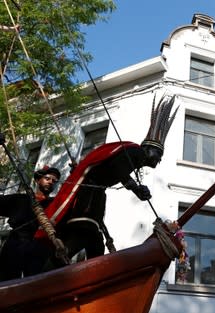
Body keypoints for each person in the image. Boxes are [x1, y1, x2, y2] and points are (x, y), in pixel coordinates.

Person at [41, 93, 178, 270]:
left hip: (96, 193)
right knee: (86, 230)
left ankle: (89, 269)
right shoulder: (135, 153)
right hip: (90, 195)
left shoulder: (132, 156)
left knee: (95, 238)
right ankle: (51, 269)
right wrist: (136, 189)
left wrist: (137, 188)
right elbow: (118, 169)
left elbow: (118, 171)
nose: (158, 161)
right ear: (149, 150)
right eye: (158, 155)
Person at [0, 166, 60, 281]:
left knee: (37, 282)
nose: (51, 182)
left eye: (54, 181)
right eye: (47, 178)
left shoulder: (54, 203)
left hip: (40, 245)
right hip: (16, 242)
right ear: (38, 180)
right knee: (6, 281)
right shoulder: (20, 199)